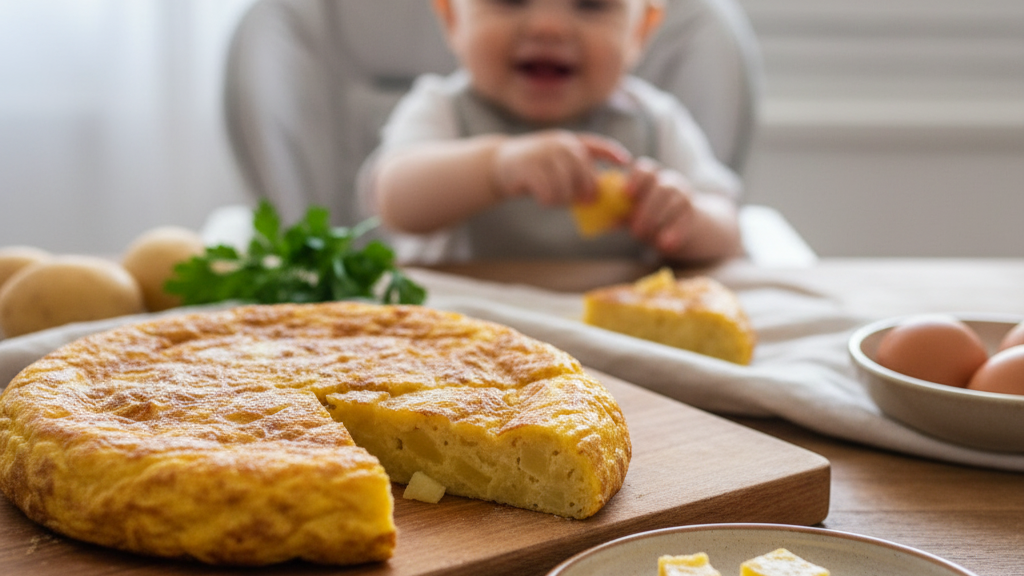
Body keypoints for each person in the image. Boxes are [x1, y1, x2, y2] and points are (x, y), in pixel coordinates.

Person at [359, 0, 742, 264]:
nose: (549, 27)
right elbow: (394, 200)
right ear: (452, 19)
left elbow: (729, 228)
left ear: (640, 32)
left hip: (611, 345)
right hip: (464, 343)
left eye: (591, 4)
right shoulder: (442, 109)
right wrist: (495, 167)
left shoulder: (655, 122)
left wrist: (686, 219)